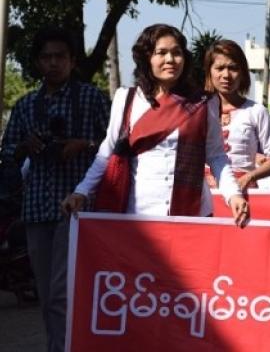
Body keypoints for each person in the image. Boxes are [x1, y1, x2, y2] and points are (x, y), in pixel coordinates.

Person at [63, 24, 248, 225]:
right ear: (147, 58)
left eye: (177, 53)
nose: (170, 60)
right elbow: (107, 152)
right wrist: (81, 191)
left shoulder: (204, 102)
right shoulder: (127, 99)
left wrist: (233, 195)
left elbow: (216, 156)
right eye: (161, 53)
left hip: (191, 212)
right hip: (137, 215)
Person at [0, 26, 110, 352]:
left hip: (78, 210)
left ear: (72, 60)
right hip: (36, 209)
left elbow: (116, 146)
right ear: (36, 62)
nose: (52, 63)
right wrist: (25, 147)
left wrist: (83, 144)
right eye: (46, 57)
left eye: (59, 56)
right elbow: (7, 154)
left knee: (63, 293)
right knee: (48, 296)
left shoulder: (91, 98)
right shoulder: (25, 105)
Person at [201, 39, 270, 191]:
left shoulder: (257, 111)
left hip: (244, 192)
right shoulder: (198, 109)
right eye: (219, 68)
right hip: (204, 193)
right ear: (209, 72)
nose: (226, 75)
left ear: (243, 72)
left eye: (233, 68)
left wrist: (249, 177)